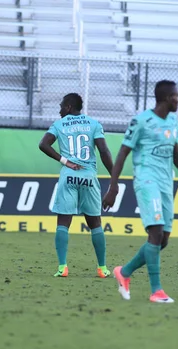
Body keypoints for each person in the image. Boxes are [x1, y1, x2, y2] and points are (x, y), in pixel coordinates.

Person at [102, 80, 178, 303]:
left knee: (163, 240)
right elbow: (122, 154)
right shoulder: (141, 121)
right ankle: (156, 291)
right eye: (177, 97)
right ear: (168, 98)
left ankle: (125, 272)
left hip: (166, 184)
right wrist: (113, 187)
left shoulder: (173, 120)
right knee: (156, 232)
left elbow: (175, 155)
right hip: (146, 180)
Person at [38, 93, 114, 278]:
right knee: (95, 223)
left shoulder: (59, 125)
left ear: (69, 107)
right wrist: (115, 177)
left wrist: (65, 161)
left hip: (69, 176)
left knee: (63, 222)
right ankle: (102, 268)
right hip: (88, 176)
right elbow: (103, 150)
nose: (60, 110)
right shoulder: (94, 124)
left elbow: (43, 144)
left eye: (62, 106)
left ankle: (62, 267)